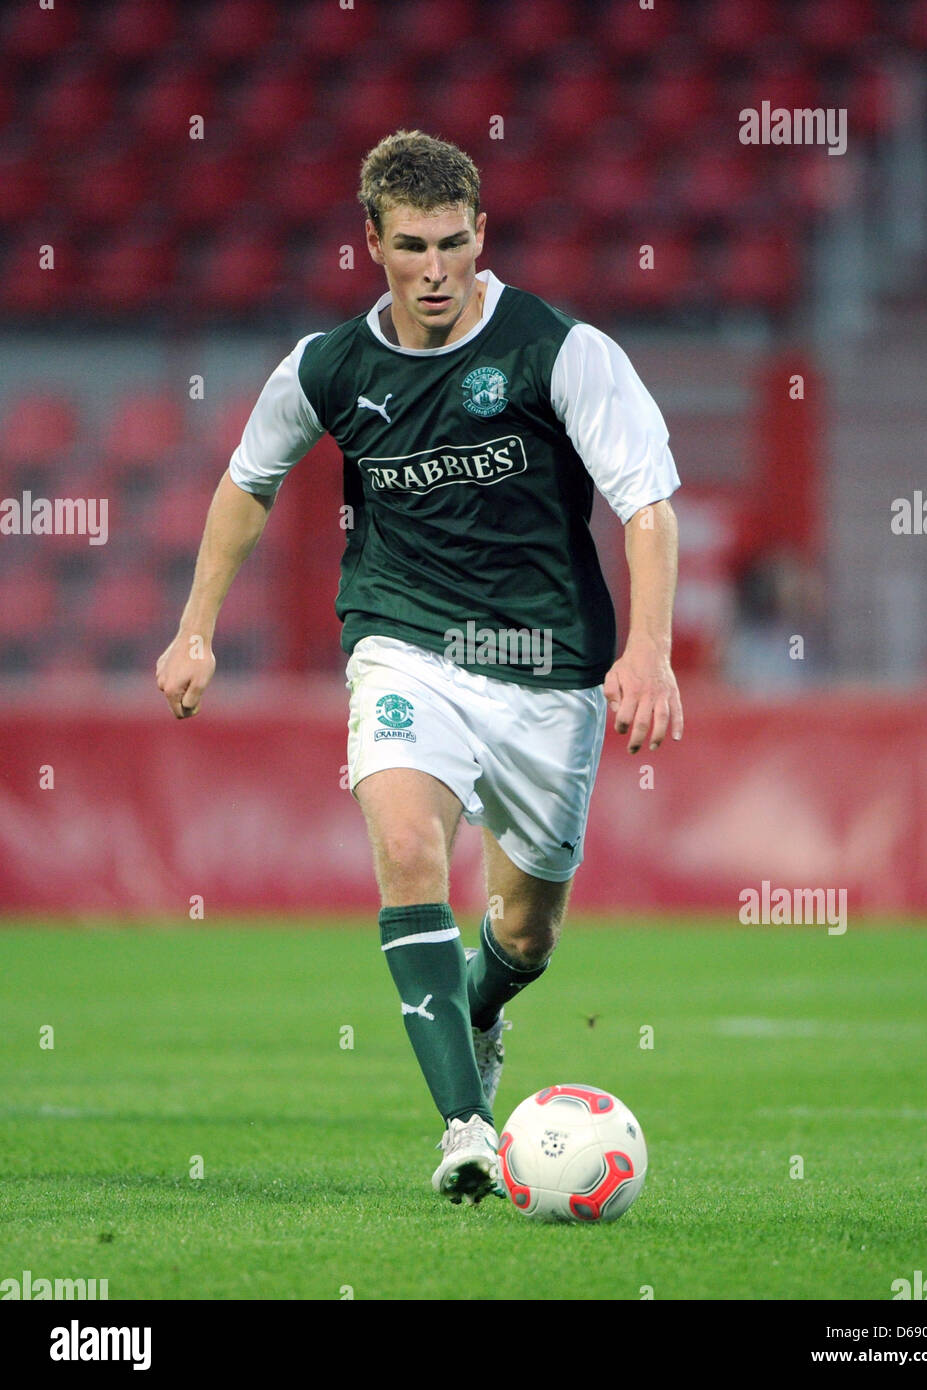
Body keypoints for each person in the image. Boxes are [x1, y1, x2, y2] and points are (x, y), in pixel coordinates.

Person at [156, 129, 683, 1206]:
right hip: (405, 645)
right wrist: (195, 625)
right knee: (405, 843)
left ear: (482, 235)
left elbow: (648, 504)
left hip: (547, 666)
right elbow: (247, 483)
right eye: (412, 247)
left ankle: (482, 1003)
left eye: (453, 244)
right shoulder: (328, 367)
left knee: (527, 935)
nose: (435, 270)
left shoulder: (558, 350)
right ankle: (466, 1127)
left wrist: (649, 649)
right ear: (372, 245)